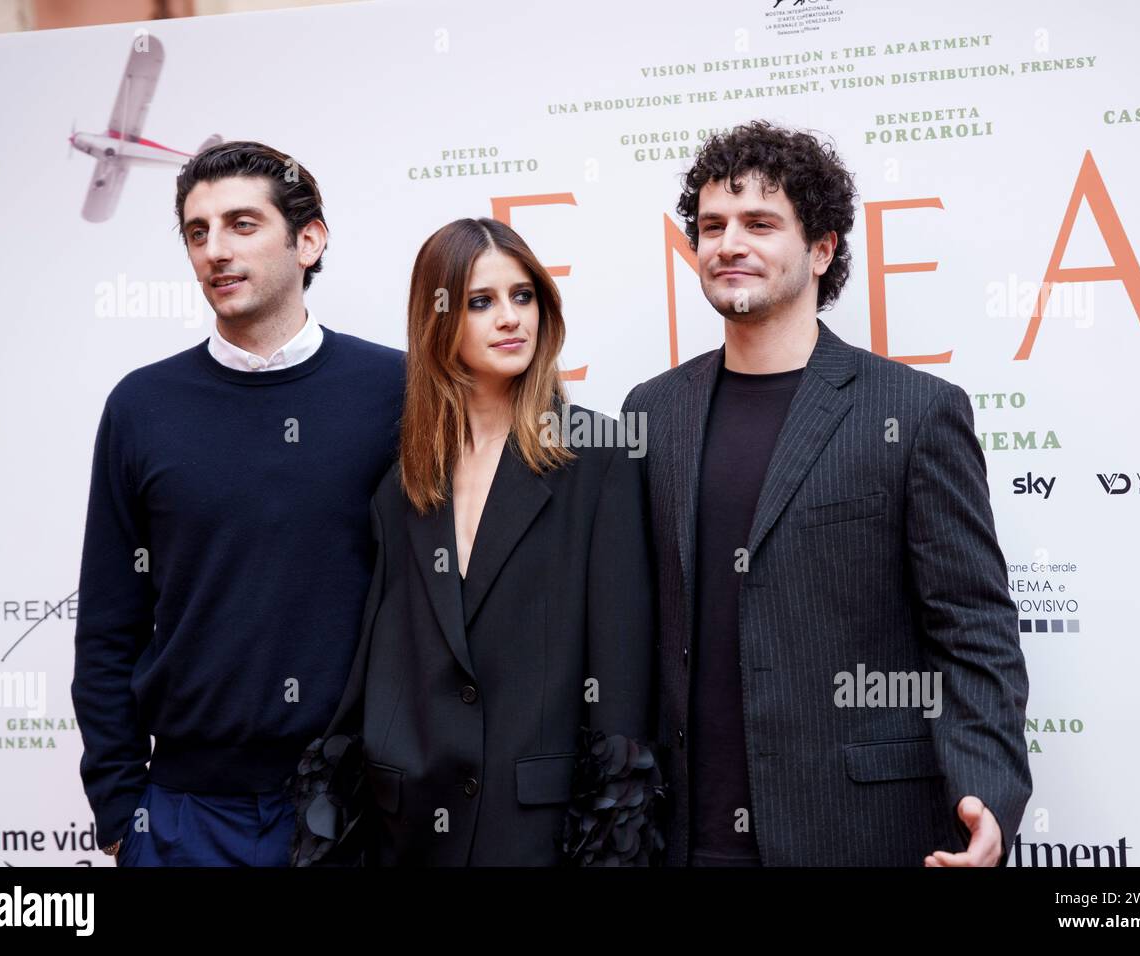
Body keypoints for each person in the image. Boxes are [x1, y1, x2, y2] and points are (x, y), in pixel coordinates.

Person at [621, 120, 1031, 867]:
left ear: (821, 248)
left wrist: (988, 794)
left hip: (861, 832)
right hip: (685, 836)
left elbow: (973, 631)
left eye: (759, 223)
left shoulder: (913, 411)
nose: (728, 243)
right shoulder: (652, 413)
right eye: (712, 225)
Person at [71, 141, 405, 866]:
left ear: (309, 240)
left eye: (242, 225)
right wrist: (121, 813)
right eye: (198, 231)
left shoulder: (396, 392)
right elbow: (107, 624)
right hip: (186, 819)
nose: (215, 250)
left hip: (354, 811)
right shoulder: (142, 406)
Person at [291, 218, 662, 867]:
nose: (510, 318)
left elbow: (621, 683)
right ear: (439, 321)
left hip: (539, 837)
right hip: (409, 833)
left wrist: (613, 841)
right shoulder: (401, 485)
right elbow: (379, 672)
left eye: (523, 296)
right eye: (481, 302)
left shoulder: (601, 458)